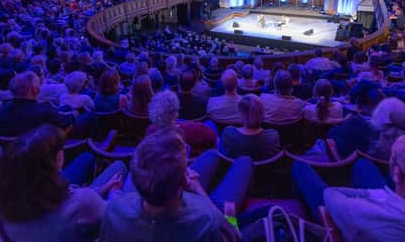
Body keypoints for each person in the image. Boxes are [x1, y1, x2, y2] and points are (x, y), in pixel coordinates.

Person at [101, 128, 245, 242]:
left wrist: (113, 191)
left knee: (211, 156)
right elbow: (235, 237)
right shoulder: (207, 222)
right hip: (211, 213)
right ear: (183, 181)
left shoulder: (112, 212)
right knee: (242, 162)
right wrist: (198, 190)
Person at [0, 125, 126, 242]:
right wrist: (114, 191)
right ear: (52, 163)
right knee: (119, 166)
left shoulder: (3, 202)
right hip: (90, 214)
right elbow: (115, 217)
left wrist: (100, 190)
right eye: (60, 149)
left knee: (87, 158)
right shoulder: (81, 201)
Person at [0, 71, 73, 137]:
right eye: (39, 84)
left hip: (13, 149)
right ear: (35, 90)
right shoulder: (44, 110)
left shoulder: (3, 108)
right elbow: (67, 126)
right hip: (40, 149)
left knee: (66, 108)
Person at [147, 91, 216, 157]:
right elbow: (213, 137)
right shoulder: (193, 128)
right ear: (175, 112)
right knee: (210, 123)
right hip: (189, 163)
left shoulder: (150, 131)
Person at [220, 94, 280, 161]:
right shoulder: (273, 136)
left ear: (240, 113)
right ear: (262, 112)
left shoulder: (228, 133)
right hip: (264, 171)